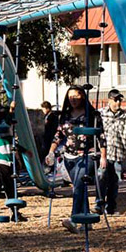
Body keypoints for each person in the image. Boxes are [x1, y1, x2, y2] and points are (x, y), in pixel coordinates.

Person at [45, 86, 104, 233]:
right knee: (79, 187)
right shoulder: (64, 116)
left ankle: (74, 219)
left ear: (82, 96)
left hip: (87, 155)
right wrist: (51, 152)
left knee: (78, 185)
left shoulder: (92, 115)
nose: (73, 99)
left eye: (76, 96)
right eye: (70, 96)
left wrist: (103, 156)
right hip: (69, 157)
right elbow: (58, 135)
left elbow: (101, 137)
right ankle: (86, 219)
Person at [98, 90, 126, 214]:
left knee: (114, 183)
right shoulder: (101, 114)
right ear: (109, 100)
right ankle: (99, 204)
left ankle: (111, 207)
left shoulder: (125, 116)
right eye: (115, 99)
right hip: (104, 154)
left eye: (120, 100)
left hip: (118, 154)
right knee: (102, 178)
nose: (118, 102)